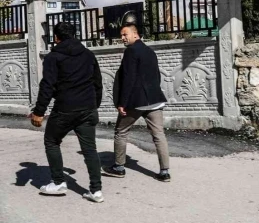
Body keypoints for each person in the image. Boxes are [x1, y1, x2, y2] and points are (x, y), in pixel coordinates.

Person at [30, 22, 104, 203]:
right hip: (88, 108)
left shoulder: (53, 57)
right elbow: (98, 82)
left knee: (51, 140)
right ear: (74, 35)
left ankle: (58, 182)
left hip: (65, 109)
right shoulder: (88, 55)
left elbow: (47, 86)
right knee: (90, 149)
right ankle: (96, 190)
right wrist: (94, 105)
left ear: (56, 38)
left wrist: (39, 111)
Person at [103, 23, 171, 182]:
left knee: (121, 132)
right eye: (121, 35)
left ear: (135, 34)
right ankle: (165, 172)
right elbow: (157, 76)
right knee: (159, 135)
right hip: (155, 100)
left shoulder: (131, 52)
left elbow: (129, 79)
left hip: (135, 102)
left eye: (125, 34)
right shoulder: (150, 51)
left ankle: (119, 168)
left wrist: (122, 103)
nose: (122, 38)